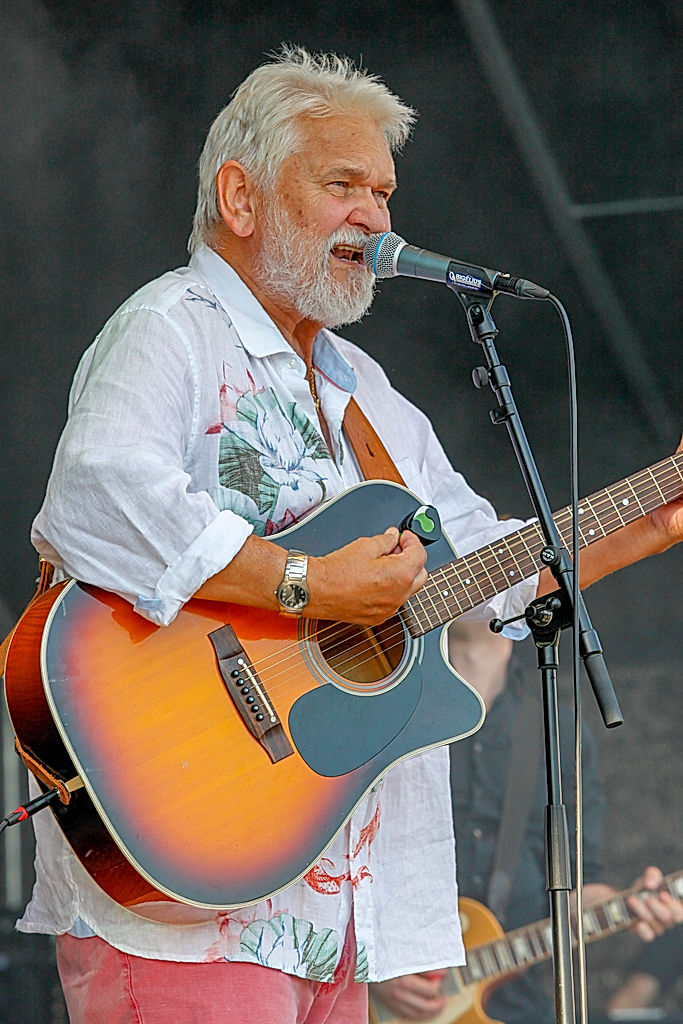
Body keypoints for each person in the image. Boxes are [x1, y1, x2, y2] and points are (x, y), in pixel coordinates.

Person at [15, 46, 683, 1024]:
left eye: (383, 192)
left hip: (336, 901)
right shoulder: (172, 328)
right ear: (240, 200)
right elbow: (99, 493)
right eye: (342, 185)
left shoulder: (365, 392)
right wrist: (305, 587)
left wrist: (657, 517)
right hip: (192, 896)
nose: (375, 217)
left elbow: (488, 563)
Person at [369, 621, 683, 1023]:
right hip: (373, 997)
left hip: (518, 1006)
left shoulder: (558, 728)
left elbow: (577, 885)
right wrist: (369, 967)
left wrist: (632, 902)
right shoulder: (386, 718)